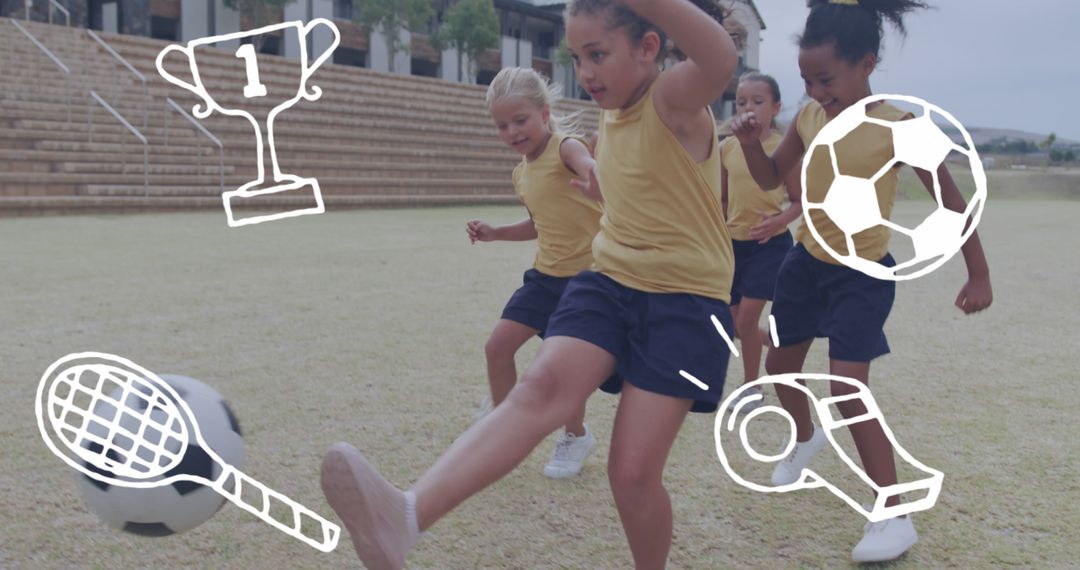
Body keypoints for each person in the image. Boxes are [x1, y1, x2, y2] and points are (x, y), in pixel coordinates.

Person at [319, 0, 738, 568]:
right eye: (576, 57)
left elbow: (720, 58)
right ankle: (405, 516)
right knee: (538, 389)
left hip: (686, 302)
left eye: (598, 54)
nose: (585, 72)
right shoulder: (608, 120)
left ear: (647, 48)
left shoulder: (672, 98)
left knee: (632, 476)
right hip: (609, 280)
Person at [730, 0, 993, 562]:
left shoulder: (900, 128)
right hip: (804, 264)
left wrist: (978, 272)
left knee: (848, 387)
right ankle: (806, 438)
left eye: (825, 79)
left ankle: (893, 513)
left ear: (866, 62)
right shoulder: (807, 118)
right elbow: (773, 177)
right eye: (806, 79)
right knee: (779, 368)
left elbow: (953, 202)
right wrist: (752, 143)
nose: (816, 91)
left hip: (862, 275)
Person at [466, 66, 603, 479]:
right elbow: (538, 225)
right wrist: (494, 234)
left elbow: (590, 166)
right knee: (497, 348)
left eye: (520, 119)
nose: (511, 131)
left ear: (544, 114)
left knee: (562, 368)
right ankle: (505, 425)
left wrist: (597, 179)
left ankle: (576, 436)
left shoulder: (565, 148)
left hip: (587, 281)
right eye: (502, 125)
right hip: (545, 277)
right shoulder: (520, 173)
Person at [720, 72, 802, 415]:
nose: (748, 108)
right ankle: (770, 342)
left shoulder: (784, 150)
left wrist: (778, 221)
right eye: (741, 102)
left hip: (770, 245)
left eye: (758, 101)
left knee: (745, 319)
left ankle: (751, 388)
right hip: (732, 245)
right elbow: (722, 199)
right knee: (738, 323)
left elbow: (800, 201)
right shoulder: (726, 147)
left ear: (776, 107)